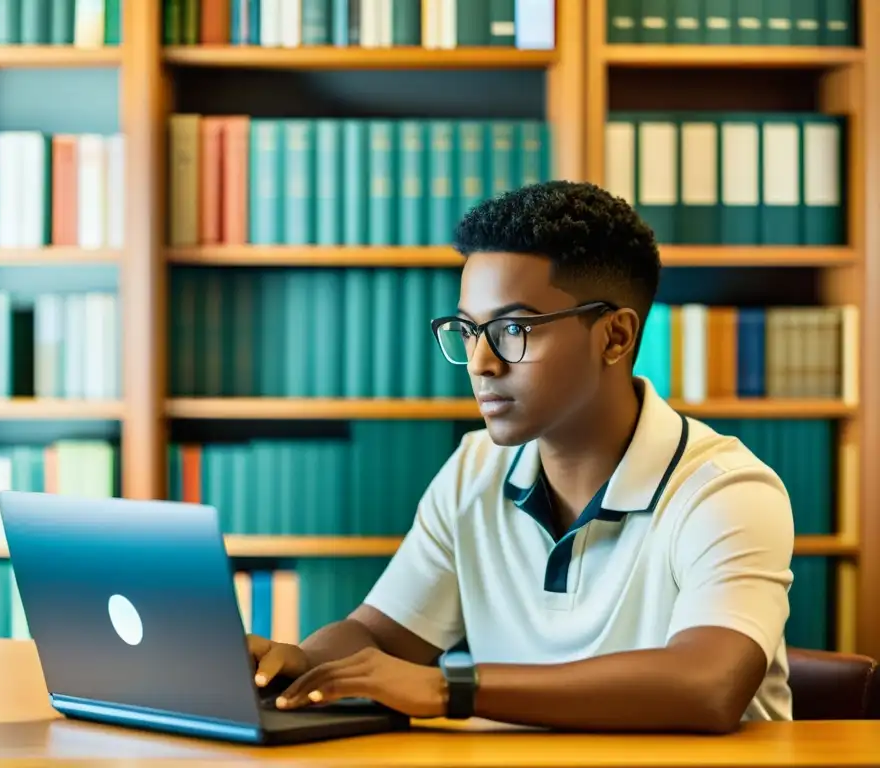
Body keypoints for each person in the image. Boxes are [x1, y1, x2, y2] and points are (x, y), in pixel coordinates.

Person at [246, 180, 795, 734]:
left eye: (513, 328)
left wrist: (449, 687)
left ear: (615, 337)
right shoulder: (473, 469)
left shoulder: (726, 491)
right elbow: (379, 637)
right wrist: (301, 666)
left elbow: (706, 685)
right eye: (467, 329)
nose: (481, 362)